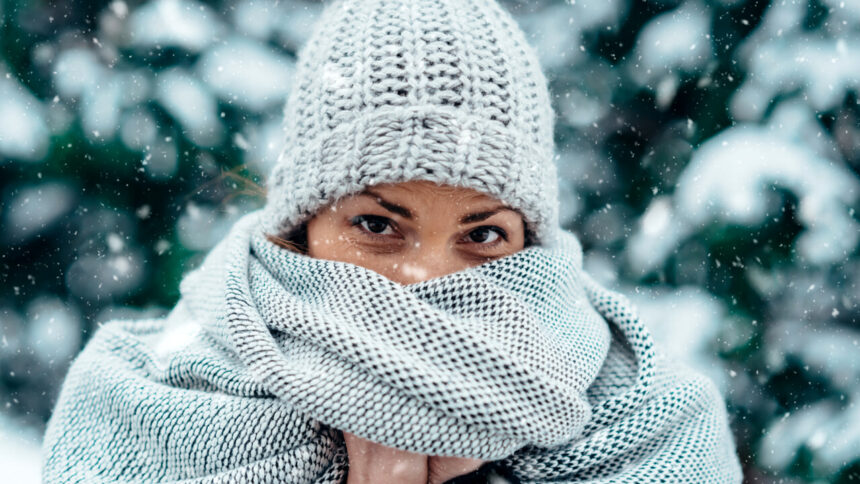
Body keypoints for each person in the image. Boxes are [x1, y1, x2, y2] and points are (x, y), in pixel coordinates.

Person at [42, 0, 744, 483]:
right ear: (301, 227)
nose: (426, 277)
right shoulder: (136, 407)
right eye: (378, 225)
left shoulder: (656, 432)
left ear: (532, 246)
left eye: (484, 234)